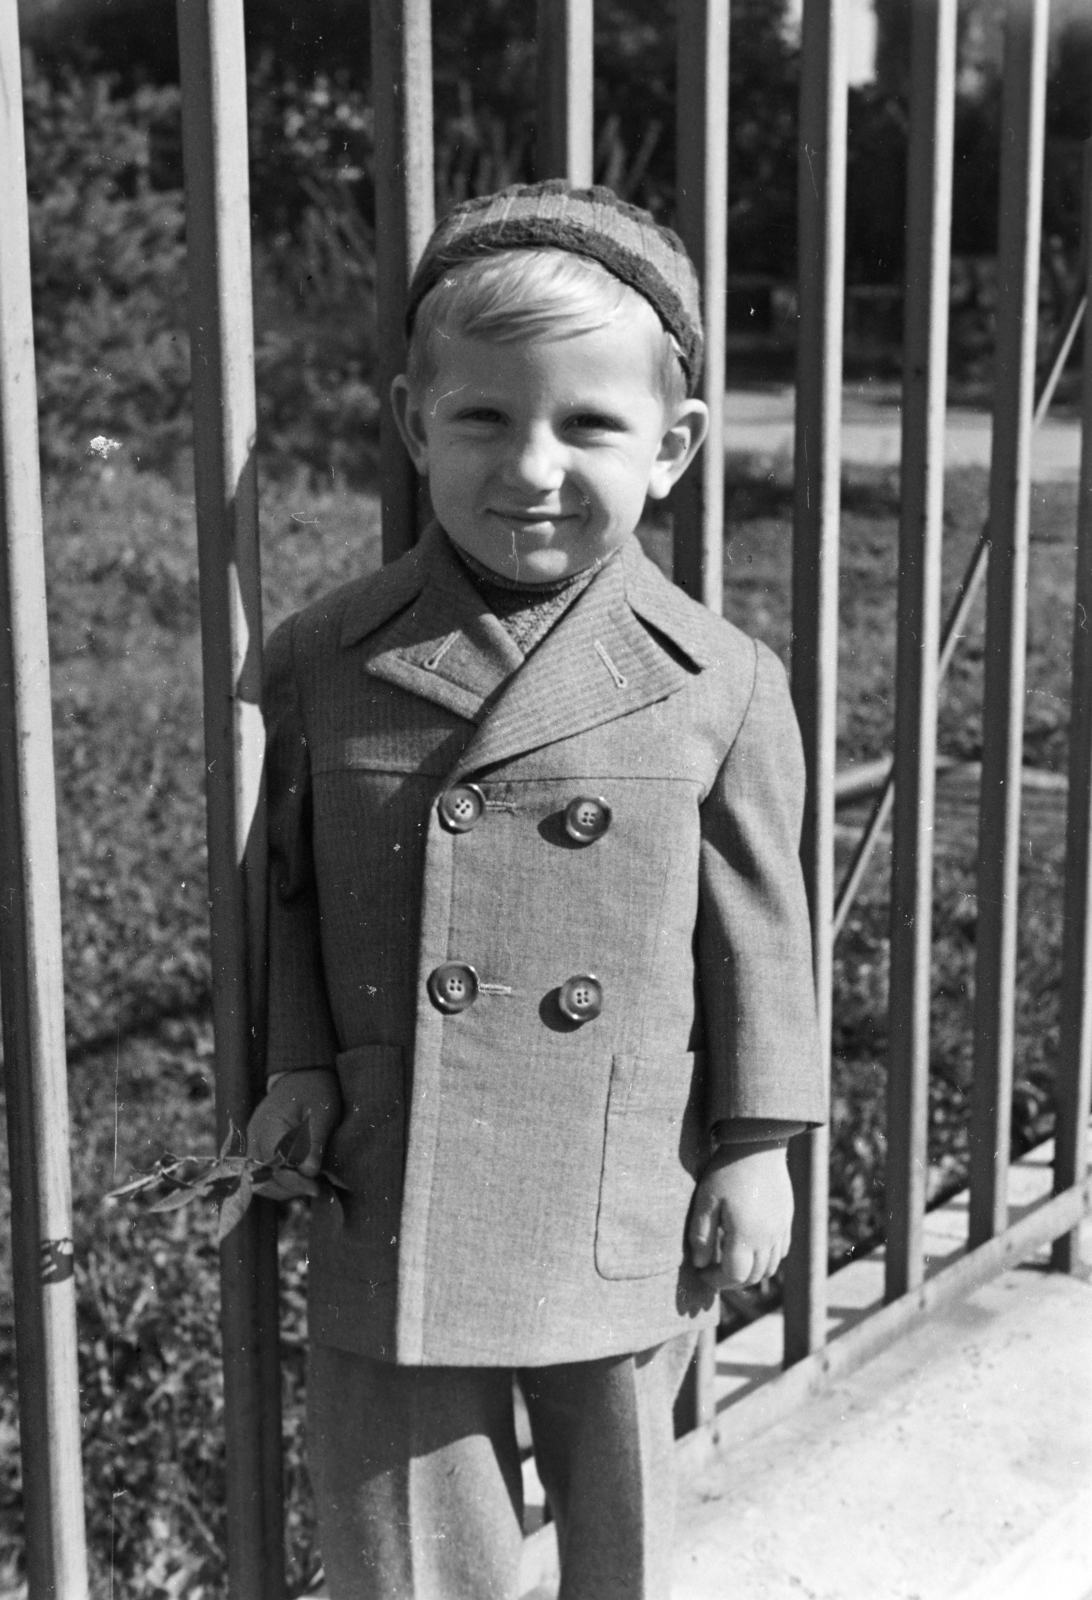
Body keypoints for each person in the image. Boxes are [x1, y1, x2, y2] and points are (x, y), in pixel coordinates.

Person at [247, 181, 825, 1600]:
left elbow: (762, 934)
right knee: (405, 1532)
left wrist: (761, 1142)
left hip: (618, 1166)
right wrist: (300, 1063)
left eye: (590, 425)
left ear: (674, 447)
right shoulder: (326, 656)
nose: (535, 468)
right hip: (394, 1165)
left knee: (620, 1508)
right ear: (410, 425)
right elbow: (292, 904)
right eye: (486, 419)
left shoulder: (721, 682)